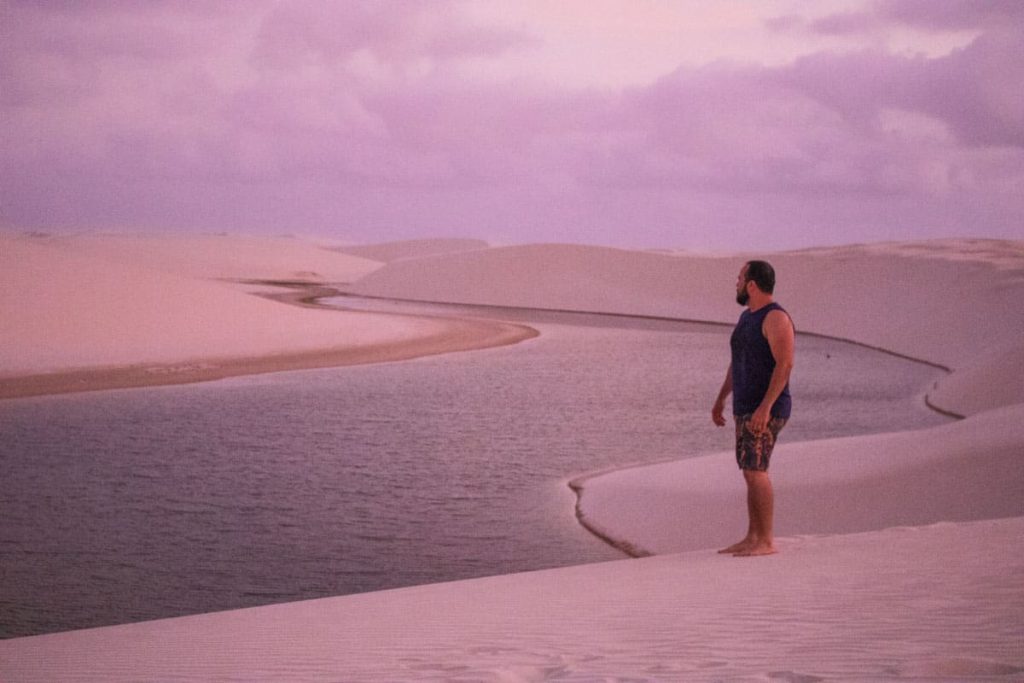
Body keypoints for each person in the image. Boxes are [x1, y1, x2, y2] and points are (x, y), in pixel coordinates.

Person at [711, 260, 795, 557]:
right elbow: (738, 362)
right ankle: (753, 536)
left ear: (751, 284)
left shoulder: (775, 318)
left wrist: (765, 408)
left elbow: (784, 365)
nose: (735, 283)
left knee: (757, 469)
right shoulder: (747, 317)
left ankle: (766, 541)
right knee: (749, 469)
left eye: (739, 278)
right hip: (745, 406)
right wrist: (722, 398)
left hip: (765, 408)